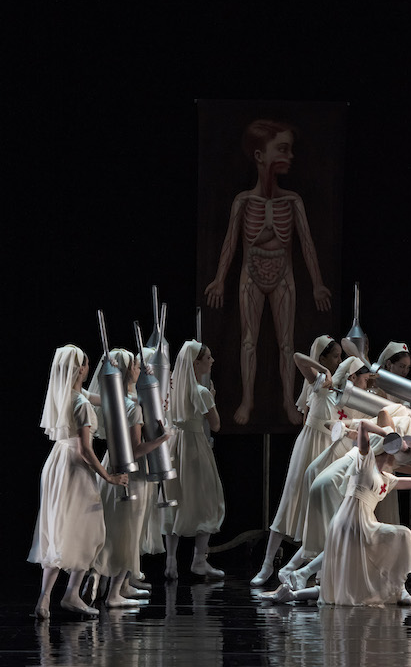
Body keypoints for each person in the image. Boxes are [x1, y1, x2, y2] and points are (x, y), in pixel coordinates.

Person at [204, 119, 332, 426]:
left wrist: (317, 284)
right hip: (251, 274)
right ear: (260, 156)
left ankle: (288, 402)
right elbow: (230, 243)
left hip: (283, 275)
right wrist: (220, 279)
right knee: (248, 339)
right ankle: (247, 400)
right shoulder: (244, 201)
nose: (290, 156)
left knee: (287, 342)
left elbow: (307, 244)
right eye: (283, 149)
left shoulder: (293, 201)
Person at [261, 419, 411, 606]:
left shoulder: (386, 478)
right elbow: (365, 425)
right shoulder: (364, 464)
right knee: (403, 535)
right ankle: (399, 587)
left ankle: (292, 593)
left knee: (348, 587)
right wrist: (387, 433)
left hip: (358, 523)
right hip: (353, 520)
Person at [250, 354, 371, 586]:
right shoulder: (323, 385)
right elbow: (297, 358)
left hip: (332, 454)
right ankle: (267, 565)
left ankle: (313, 572)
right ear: (353, 376)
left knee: (322, 510)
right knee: (290, 501)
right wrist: (323, 368)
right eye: (364, 379)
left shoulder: (357, 403)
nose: (366, 384)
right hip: (308, 447)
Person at [29, 345, 129, 619]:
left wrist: (115, 377)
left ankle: (45, 599)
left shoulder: (64, 394)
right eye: (86, 363)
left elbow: (105, 397)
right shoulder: (80, 403)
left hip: (56, 463)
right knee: (91, 532)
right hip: (74, 465)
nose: (88, 367)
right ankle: (71, 594)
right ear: (81, 369)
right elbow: (86, 450)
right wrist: (108, 476)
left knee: (60, 529)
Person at [88, 349, 172, 608]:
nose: (139, 367)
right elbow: (135, 449)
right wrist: (161, 439)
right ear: (127, 371)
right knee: (128, 532)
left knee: (116, 529)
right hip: (133, 473)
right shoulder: (132, 407)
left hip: (111, 465)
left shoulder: (115, 400)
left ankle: (113, 583)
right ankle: (114, 593)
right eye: (136, 364)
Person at [161, 341, 225, 579]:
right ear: (196, 363)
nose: (212, 361)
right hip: (195, 447)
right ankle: (199, 560)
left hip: (176, 446)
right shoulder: (201, 392)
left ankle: (171, 563)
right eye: (208, 358)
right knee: (207, 500)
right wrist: (213, 399)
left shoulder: (173, 389)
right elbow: (216, 425)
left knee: (175, 498)